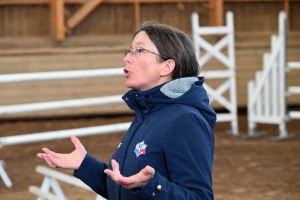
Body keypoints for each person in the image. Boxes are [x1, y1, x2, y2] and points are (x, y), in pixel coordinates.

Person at [37, 21, 216, 200]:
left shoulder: (184, 120)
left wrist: (152, 185)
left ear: (167, 67)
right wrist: (84, 164)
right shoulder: (147, 114)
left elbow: (200, 197)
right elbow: (122, 188)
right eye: (129, 51)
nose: (127, 58)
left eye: (139, 50)